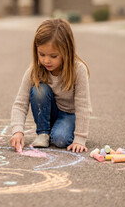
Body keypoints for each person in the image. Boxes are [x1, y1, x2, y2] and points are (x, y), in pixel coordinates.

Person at [10, 18, 91, 153]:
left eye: (53, 56)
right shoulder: (34, 70)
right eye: (41, 54)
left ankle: (57, 130)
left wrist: (80, 139)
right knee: (39, 89)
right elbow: (20, 103)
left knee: (60, 140)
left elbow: (83, 105)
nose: (46, 60)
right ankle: (43, 132)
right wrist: (17, 131)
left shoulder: (78, 70)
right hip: (48, 113)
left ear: (67, 52)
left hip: (69, 115)